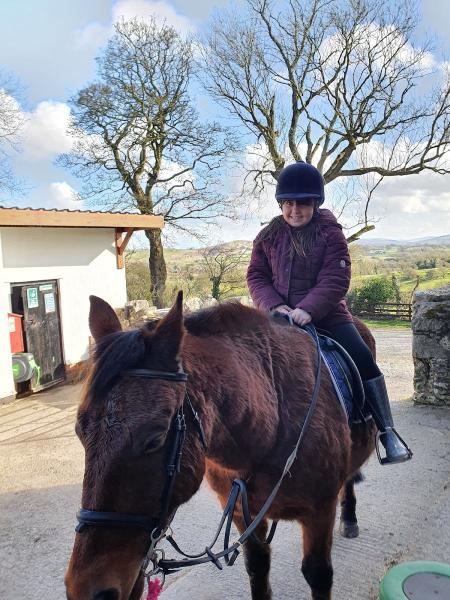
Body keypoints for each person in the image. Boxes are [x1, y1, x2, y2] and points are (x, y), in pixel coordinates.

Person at [247, 161, 412, 465]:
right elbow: (256, 276)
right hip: (278, 318)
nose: (295, 210)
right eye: (289, 203)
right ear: (281, 204)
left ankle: (388, 432)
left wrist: (308, 310)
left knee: (363, 360)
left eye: (303, 203)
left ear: (316, 203)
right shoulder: (268, 236)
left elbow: (336, 279)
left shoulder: (330, 234)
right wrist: (274, 306)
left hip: (328, 318)